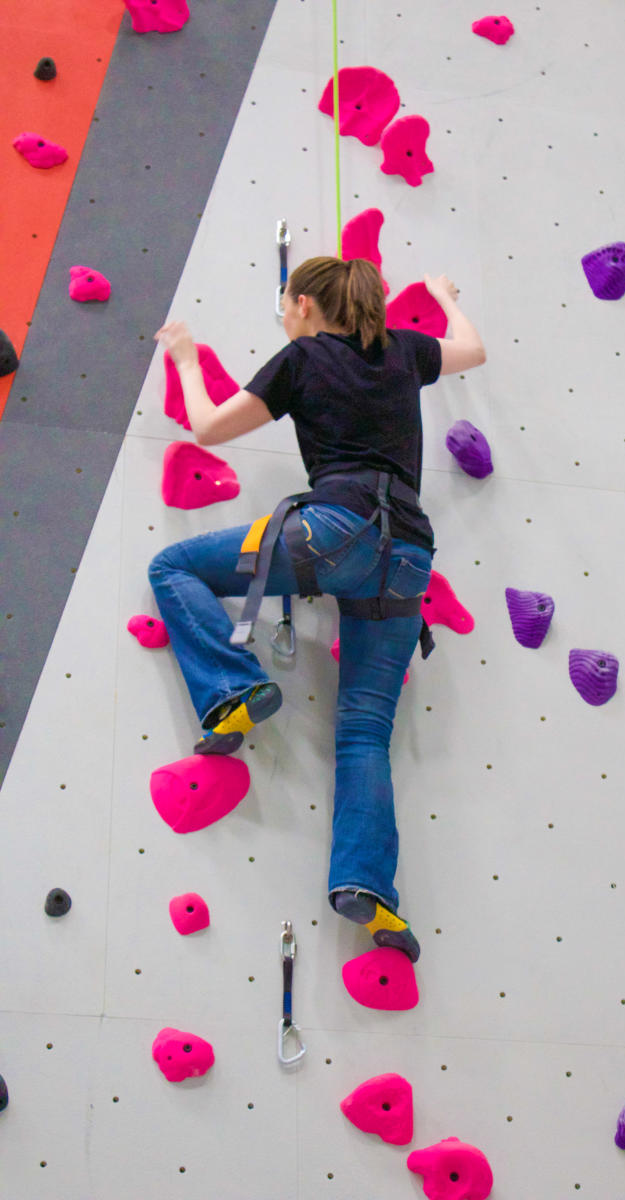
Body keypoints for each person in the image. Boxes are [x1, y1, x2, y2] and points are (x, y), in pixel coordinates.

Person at [149, 257, 486, 960]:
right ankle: (367, 886)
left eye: (283, 303)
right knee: (365, 732)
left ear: (304, 303)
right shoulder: (405, 350)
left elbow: (209, 427)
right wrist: (449, 299)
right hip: (408, 559)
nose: (283, 314)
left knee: (173, 566)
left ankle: (235, 688)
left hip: (331, 534)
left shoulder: (302, 357)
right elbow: (474, 351)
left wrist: (184, 356)